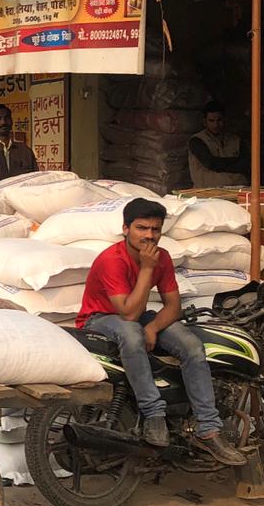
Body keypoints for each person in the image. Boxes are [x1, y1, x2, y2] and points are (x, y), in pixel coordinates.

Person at [76, 198, 246, 466]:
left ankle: (208, 428)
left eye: (155, 229)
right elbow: (128, 314)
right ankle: (153, 414)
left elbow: (174, 306)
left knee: (191, 345)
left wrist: (153, 328)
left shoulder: (162, 257)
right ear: (125, 228)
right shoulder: (113, 260)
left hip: (136, 315)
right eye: (141, 228)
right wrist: (146, 269)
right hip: (100, 318)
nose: (149, 236)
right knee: (132, 333)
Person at [188, 101, 246, 189]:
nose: (216, 125)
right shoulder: (196, 140)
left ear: (225, 119)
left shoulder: (236, 140)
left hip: (238, 191)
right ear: (204, 122)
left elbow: (247, 164)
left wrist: (221, 163)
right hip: (208, 194)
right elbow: (211, 163)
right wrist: (237, 162)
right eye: (211, 121)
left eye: (219, 120)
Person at [0, 105, 38, 180]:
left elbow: (36, 179)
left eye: (6, 118)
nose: (3, 122)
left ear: (11, 121)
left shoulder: (25, 151)